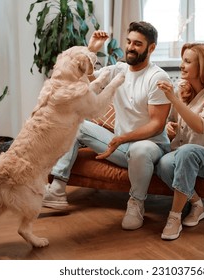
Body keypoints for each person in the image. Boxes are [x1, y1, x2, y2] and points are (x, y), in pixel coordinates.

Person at [43, 21, 172, 231]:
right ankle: (57, 189)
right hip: (121, 148)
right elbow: (91, 77)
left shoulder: (157, 78)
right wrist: (92, 48)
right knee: (78, 124)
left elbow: (157, 125)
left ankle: (136, 203)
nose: (130, 47)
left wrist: (121, 138)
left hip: (150, 147)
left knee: (140, 149)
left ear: (152, 48)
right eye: (129, 42)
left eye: (138, 44)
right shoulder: (118, 69)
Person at [156, 43, 204, 240]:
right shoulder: (183, 90)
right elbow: (172, 123)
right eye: (183, 60)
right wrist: (168, 128)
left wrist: (174, 99)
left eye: (188, 61)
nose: (182, 65)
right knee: (163, 163)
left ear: (203, 67)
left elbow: (201, 126)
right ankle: (198, 204)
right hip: (184, 153)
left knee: (187, 151)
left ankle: (174, 217)